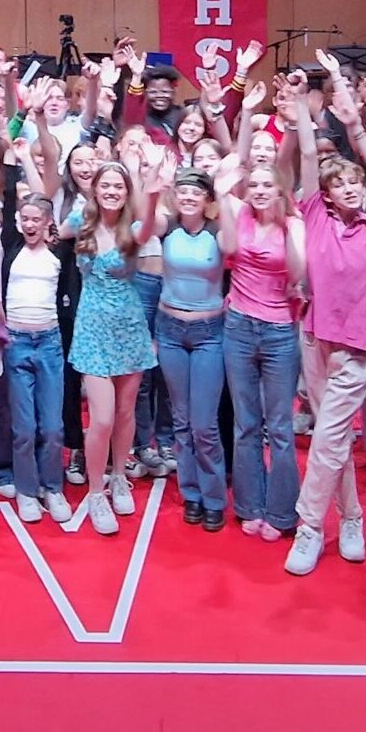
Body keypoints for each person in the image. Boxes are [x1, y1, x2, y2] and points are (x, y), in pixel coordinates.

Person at [285, 79, 366, 574]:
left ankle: (308, 528)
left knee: (327, 436)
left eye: (355, 183)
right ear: (325, 194)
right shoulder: (315, 217)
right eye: (340, 184)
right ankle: (352, 518)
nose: (350, 188)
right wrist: (303, 106)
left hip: (356, 349)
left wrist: (356, 124)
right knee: (333, 436)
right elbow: (305, 153)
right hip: (313, 338)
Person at [58, 155, 166, 535]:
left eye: (118, 186)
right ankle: (95, 491)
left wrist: (152, 193)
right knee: (101, 418)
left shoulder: (134, 228)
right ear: (94, 189)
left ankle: (120, 476)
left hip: (129, 327)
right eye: (105, 185)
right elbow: (52, 228)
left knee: (125, 414)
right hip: (91, 330)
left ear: (126, 192)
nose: (111, 191)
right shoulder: (78, 223)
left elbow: (151, 224)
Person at [217, 108, 305, 542]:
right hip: (238, 326)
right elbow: (228, 252)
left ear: (280, 188)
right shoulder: (237, 210)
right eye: (254, 185)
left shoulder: (293, 222)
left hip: (279, 332)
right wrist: (223, 195)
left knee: (280, 428)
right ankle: (250, 505)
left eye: (268, 185)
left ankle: (283, 513)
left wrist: (291, 230)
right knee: (247, 423)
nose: (260, 192)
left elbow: (297, 274)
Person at [156, 168, 227, 529]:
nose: (188, 198)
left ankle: (215, 495)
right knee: (181, 421)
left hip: (209, 332)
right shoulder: (166, 226)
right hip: (169, 329)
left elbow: (234, 247)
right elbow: (142, 223)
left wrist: (227, 196)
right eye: (182, 191)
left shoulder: (216, 231)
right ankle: (192, 494)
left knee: (204, 424)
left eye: (196, 193)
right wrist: (151, 181)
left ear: (207, 199)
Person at [0, 192, 74, 523]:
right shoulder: (12, 249)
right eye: (24, 218)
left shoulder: (58, 253)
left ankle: (52, 487)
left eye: (36, 219)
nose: (29, 224)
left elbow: (67, 297)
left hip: (49, 343)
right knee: (25, 427)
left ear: (47, 223)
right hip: (16, 344)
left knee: (53, 426)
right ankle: (27, 491)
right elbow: (9, 194)